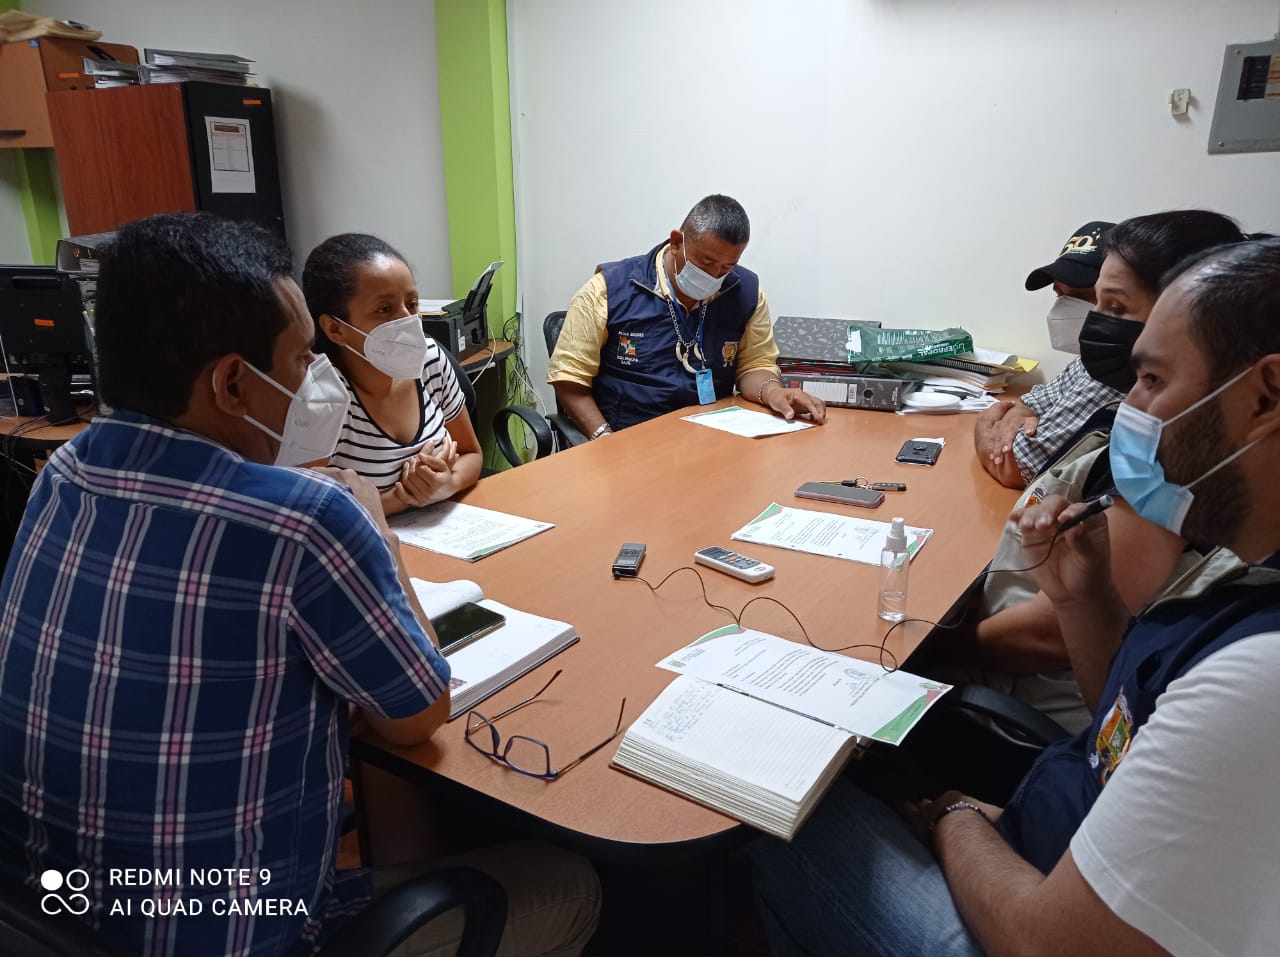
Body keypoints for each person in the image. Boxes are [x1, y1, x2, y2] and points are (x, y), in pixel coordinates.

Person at [0, 213, 599, 957]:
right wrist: (376, 529)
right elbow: (419, 712)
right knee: (572, 883)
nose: (316, 378)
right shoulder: (300, 518)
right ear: (232, 383)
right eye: (302, 357)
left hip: (46, 915)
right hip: (228, 931)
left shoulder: (61, 472)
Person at [750, 236, 1280, 956]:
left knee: (774, 798)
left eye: (1152, 378)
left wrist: (956, 818)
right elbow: (1117, 733)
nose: (1130, 405)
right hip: (1049, 833)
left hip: (1020, 915)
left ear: (1265, 395)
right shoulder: (1240, 580)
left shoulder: (1255, 677)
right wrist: (1082, 600)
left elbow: (1045, 942)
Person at [937, 211, 1247, 735]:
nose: (1095, 322)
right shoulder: (1145, 420)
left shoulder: (1172, 456)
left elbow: (1051, 636)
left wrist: (936, 643)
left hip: (1037, 699)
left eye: (1115, 307)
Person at [547, 194, 826, 435]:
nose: (714, 275)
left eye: (726, 267)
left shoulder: (746, 293)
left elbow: (754, 364)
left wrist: (774, 392)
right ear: (677, 242)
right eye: (706, 262)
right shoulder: (608, 290)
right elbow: (569, 378)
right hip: (630, 438)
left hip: (711, 438)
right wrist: (603, 437)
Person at [303, 233, 482, 517]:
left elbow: (472, 454)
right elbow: (308, 508)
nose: (407, 320)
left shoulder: (430, 358)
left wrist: (448, 483)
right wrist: (405, 496)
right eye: (384, 309)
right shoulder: (321, 397)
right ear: (336, 329)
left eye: (412, 304)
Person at [975, 221, 1116, 489]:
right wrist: (1020, 414)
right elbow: (1034, 401)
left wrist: (983, 427)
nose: (1063, 307)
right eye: (1060, 294)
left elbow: (1017, 468)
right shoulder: (1092, 357)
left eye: (1080, 294)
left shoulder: (1117, 371)